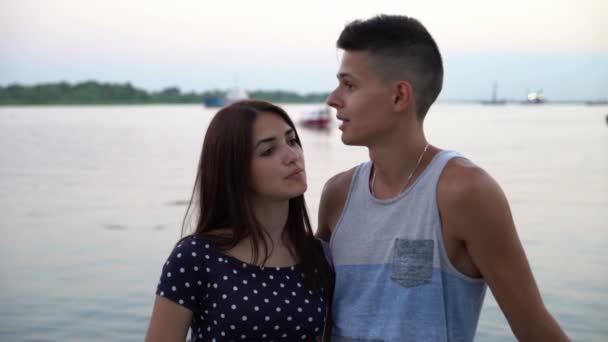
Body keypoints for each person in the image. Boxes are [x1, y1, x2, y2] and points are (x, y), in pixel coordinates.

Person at [316, 14, 569, 342]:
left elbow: (534, 328)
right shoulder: (338, 194)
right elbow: (314, 314)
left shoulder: (464, 192)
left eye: (349, 85)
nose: (333, 99)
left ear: (399, 97)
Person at [146, 100, 333, 342]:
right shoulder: (196, 257)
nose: (292, 156)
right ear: (235, 170)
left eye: (292, 140)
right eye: (268, 150)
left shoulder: (317, 255)